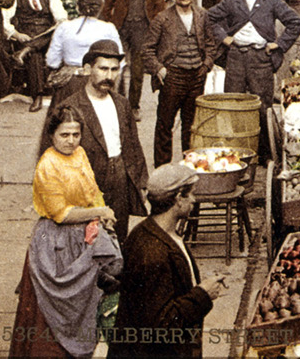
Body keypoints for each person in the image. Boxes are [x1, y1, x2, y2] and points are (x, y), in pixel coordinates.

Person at [13, 104, 123, 359]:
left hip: (85, 235)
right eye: (64, 135)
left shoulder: (80, 154)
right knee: (54, 313)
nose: (71, 141)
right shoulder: (47, 165)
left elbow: (92, 190)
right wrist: (99, 214)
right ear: (51, 135)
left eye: (76, 134)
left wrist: (101, 211)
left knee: (90, 303)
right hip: (55, 241)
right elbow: (61, 214)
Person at [110, 163, 225, 359]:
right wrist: (202, 294)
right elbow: (162, 325)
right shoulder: (153, 253)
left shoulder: (151, 232)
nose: (194, 200)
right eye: (190, 195)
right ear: (178, 198)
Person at [38, 40, 148, 240]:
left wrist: (141, 181)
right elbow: (49, 152)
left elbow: (133, 144)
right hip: (87, 179)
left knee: (118, 237)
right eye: (103, 69)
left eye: (114, 70)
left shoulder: (122, 104)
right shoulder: (70, 108)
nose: (109, 76)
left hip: (120, 179)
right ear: (88, 69)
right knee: (84, 240)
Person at [205, 0, 300, 130]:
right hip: (236, 57)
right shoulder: (231, 2)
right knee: (234, 103)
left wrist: (279, 44)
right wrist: (223, 37)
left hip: (261, 58)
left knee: (262, 105)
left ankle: (264, 152)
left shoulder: (271, 2)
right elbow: (207, 18)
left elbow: (296, 22)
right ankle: (237, 147)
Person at [144, 0, 220, 167]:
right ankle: (162, 169)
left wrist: (206, 65)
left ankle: (189, 167)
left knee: (191, 125)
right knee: (165, 124)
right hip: (173, 77)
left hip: (197, 76)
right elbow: (147, 49)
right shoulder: (162, 19)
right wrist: (159, 69)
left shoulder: (202, 15)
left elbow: (212, 45)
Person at [101, 0, 166, 110]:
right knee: (117, 66)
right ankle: (116, 102)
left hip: (142, 29)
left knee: (138, 70)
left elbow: (160, 9)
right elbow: (107, 5)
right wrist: (108, 26)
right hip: (121, 28)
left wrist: (157, 31)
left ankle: (134, 106)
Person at [7, 0, 65, 113]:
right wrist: (17, 35)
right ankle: (37, 96)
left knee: (55, 32)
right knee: (35, 54)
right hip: (27, 37)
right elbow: (4, 21)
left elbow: (62, 17)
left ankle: (27, 50)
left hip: (48, 37)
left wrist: (56, 28)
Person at [43, 0, 121, 88]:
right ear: (101, 7)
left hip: (69, 81)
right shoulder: (108, 28)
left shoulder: (64, 27)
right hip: (98, 82)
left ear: (78, 7)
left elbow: (52, 61)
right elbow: (118, 62)